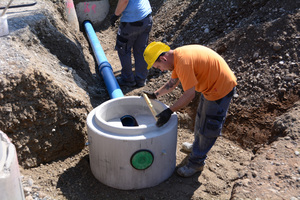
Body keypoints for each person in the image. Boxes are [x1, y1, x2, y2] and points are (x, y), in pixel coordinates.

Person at [143, 42, 237, 177]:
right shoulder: (176, 57)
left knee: (208, 128)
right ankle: (196, 148)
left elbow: (189, 94)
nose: (161, 70)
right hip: (210, 86)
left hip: (220, 89)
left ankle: (196, 163)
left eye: (159, 66)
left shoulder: (183, 62)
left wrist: (169, 111)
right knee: (200, 119)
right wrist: (155, 94)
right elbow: (172, 83)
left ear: (163, 58)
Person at [110, 0, 153, 87]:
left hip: (132, 21)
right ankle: (141, 79)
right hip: (146, 17)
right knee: (141, 49)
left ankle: (128, 79)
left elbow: (124, 1)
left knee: (123, 49)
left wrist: (116, 15)